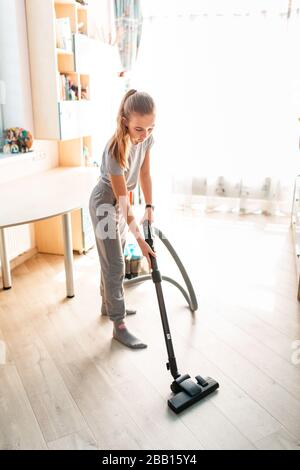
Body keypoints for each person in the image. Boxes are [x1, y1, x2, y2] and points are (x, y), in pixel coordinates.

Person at [89, 89, 156, 349]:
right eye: (139, 129)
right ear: (125, 120)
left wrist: (149, 206)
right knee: (115, 262)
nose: (145, 135)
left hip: (119, 202)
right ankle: (119, 326)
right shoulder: (115, 149)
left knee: (111, 259)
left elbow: (145, 173)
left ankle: (108, 306)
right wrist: (142, 244)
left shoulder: (146, 139)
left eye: (150, 128)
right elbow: (123, 201)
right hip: (106, 202)